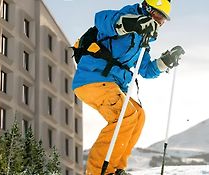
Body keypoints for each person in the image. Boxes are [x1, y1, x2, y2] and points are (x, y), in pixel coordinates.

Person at [72, 0, 185, 174]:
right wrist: (132, 23)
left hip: (112, 84)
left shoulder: (143, 42)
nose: (157, 23)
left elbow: (146, 70)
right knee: (126, 115)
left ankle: (116, 168)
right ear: (147, 9)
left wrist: (165, 62)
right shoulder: (125, 16)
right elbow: (101, 19)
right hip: (93, 78)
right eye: (156, 16)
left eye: (162, 21)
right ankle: (99, 171)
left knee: (138, 115)